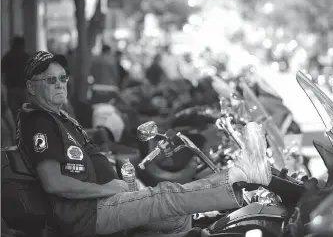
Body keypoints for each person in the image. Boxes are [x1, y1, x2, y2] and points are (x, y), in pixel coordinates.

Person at [17, 51, 273, 237]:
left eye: (62, 78)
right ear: (31, 86)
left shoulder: (57, 117)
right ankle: (239, 178)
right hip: (88, 214)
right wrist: (107, 189)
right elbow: (54, 183)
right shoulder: (39, 122)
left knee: (177, 219)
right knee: (166, 196)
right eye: (51, 81)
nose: (60, 84)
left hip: (96, 207)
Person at [1, 36, 30, 120]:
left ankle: (16, 129)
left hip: (11, 89)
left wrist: (5, 84)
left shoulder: (7, 57)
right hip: (23, 89)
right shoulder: (26, 56)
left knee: (13, 112)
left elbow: (2, 73)